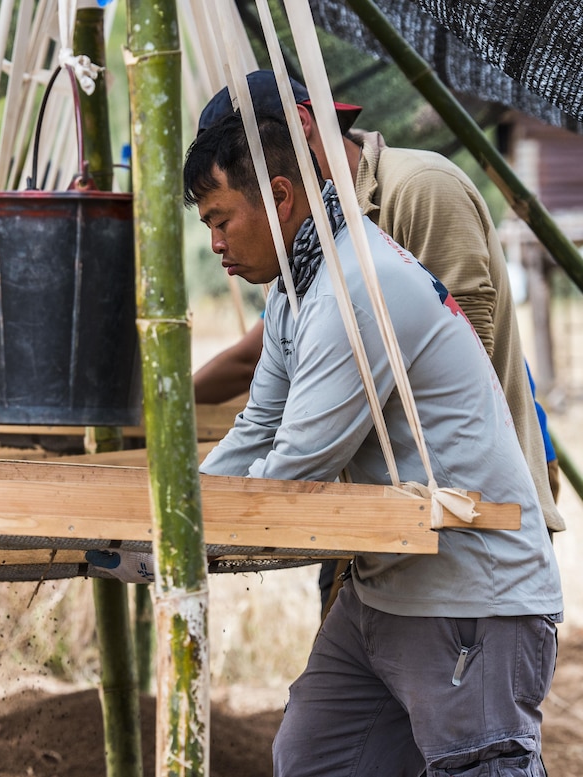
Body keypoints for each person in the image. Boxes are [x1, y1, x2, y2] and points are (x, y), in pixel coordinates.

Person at [185, 111, 562, 775]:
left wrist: (180, 537)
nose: (214, 241)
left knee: (477, 766)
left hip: (470, 593)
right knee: (313, 757)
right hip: (386, 588)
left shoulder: (355, 286)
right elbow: (258, 427)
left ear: (279, 196)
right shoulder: (295, 291)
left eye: (220, 218)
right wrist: (182, 511)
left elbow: (296, 466)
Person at [192, 72, 565, 539]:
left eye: (244, 156)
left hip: (475, 505)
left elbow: (470, 353)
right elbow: (275, 372)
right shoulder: (302, 251)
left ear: (298, 130)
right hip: (378, 498)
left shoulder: (420, 188)